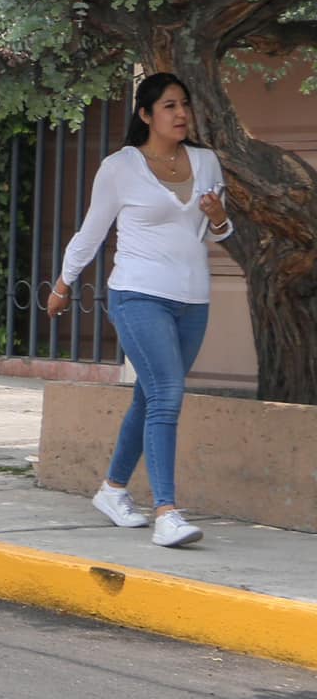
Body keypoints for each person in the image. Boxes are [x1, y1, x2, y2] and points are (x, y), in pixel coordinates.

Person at [47, 73, 232, 549]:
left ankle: (112, 490)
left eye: (184, 104)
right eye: (169, 106)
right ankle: (167, 511)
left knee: (149, 398)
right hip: (137, 294)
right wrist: (64, 282)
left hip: (193, 298)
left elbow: (218, 233)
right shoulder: (119, 167)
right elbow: (91, 232)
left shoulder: (207, 161)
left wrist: (217, 217)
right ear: (146, 115)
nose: (181, 113)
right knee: (168, 394)